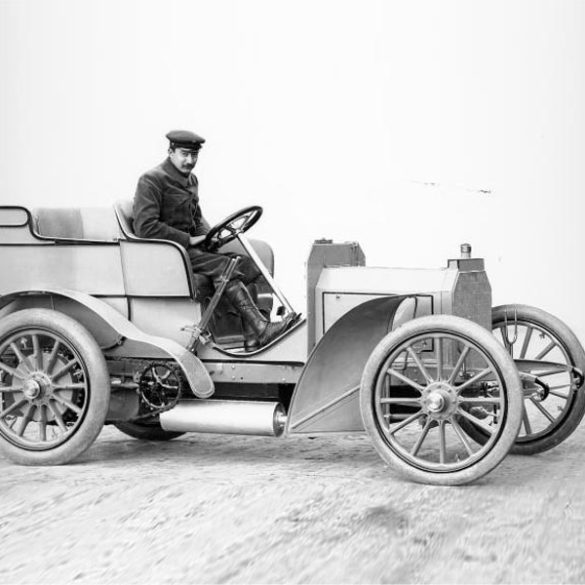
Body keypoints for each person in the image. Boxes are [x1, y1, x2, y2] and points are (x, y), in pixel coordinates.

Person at [133, 130, 297, 348]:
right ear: (170, 151)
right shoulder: (152, 180)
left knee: (252, 267)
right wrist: (188, 240)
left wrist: (211, 236)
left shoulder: (191, 180)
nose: (190, 161)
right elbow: (145, 227)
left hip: (190, 252)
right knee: (226, 267)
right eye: (184, 154)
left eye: (194, 155)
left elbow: (196, 217)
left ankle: (254, 335)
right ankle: (261, 329)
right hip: (169, 254)